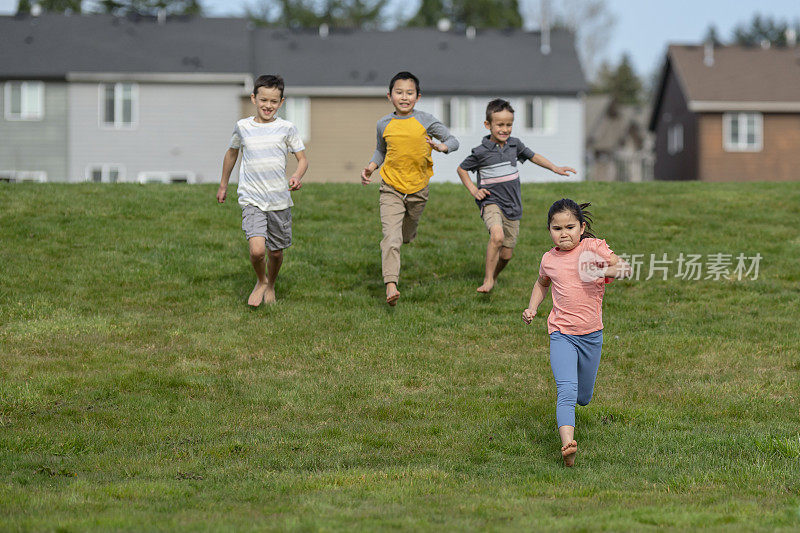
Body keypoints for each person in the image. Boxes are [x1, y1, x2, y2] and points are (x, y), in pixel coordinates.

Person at [522, 199, 631, 467]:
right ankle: (567, 444)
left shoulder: (594, 248)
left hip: (592, 335)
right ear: (549, 230)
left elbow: (624, 268)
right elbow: (541, 283)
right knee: (567, 390)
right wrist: (532, 307)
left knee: (584, 397)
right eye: (557, 228)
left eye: (570, 226)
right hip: (561, 333)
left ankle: (574, 418)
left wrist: (603, 269)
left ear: (582, 227)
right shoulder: (549, 259)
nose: (564, 233)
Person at [457, 98, 576, 293]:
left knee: (506, 255)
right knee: (497, 236)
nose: (504, 129)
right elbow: (462, 169)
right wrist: (474, 190)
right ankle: (487, 279)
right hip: (491, 202)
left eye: (509, 125)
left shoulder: (514, 145)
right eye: (500, 125)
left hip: (513, 206)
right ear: (488, 125)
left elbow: (533, 156)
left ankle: (494, 277)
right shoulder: (480, 152)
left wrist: (554, 167)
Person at [361, 71, 459, 306]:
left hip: (418, 189)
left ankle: (408, 233)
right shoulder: (383, 124)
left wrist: (441, 146)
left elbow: (453, 141)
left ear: (418, 96)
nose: (404, 97)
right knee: (391, 238)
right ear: (389, 96)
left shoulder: (426, 120)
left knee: (405, 235)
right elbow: (381, 150)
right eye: (399, 92)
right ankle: (391, 285)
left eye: (409, 93)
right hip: (391, 187)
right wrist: (372, 166)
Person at [216, 74, 308, 307]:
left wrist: (297, 175)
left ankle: (271, 284)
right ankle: (260, 280)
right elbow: (231, 153)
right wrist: (224, 184)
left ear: (281, 103)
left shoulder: (287, 128)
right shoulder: (243, 127)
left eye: (274, 101)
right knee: (257, 251)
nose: (268, 105)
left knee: (275, 253)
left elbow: (302, 159)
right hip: (252, 198)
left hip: (278, 200)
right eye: (263, 100)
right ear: (254, 98)